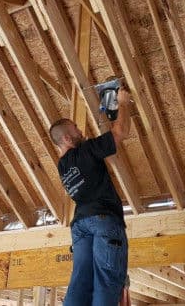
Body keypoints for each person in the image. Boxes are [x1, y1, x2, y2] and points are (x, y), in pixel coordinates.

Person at [49, 88, 131, 306]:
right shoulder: (84, 151)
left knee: (80, 283)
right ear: (67, 137)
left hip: (81, 225)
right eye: (76, 129)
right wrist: (123, 102)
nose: (80, 131)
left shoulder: (62, 166)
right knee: (106, 281)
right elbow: (120, 132)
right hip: (102, 220)